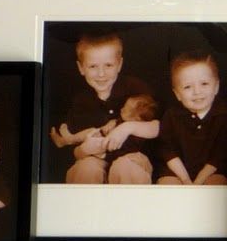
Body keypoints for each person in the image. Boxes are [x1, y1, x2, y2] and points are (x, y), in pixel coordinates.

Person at [48, 32, 159, 184]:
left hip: (132, 157)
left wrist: (126, 128)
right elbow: (75, 151)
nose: (101, 74)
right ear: (81, 68)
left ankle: (132, 207)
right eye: (93, 66)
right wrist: (84, 150)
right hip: (95, 158)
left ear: (119, 64)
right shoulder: (81, 101)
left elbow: (157, 127)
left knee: (124, 167)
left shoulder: (135, 88)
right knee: (85, 168)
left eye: (108, 65)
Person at [156, 53, 227, 186]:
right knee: (167, 186)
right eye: (188, 87)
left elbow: (219, 156)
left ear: (216, 87)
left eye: (204, 84)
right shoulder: (171, 116)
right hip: (177, 172)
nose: (197, 91)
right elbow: (168, 151)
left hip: (211, 171)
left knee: (217, 185)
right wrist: (186, 180)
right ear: (177, 94)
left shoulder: (224, 116)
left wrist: (198, 182)